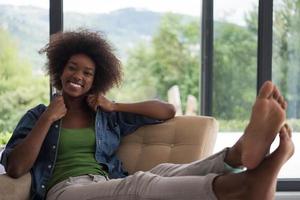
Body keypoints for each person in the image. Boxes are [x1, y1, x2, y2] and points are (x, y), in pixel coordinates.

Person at [0, 29, 294, 200]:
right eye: (72, 68)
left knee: (165, 170)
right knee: (139, 184)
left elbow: (166, 110)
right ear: (59, 70)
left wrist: (115, 106)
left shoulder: (104, 116)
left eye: (87, 73)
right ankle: (243, 187)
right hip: (65, 191)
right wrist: (48, 117)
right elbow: (15, 167)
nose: (78, 76)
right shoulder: (37, 115)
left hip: (103, 182)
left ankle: (238, 154)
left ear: (96, 80)